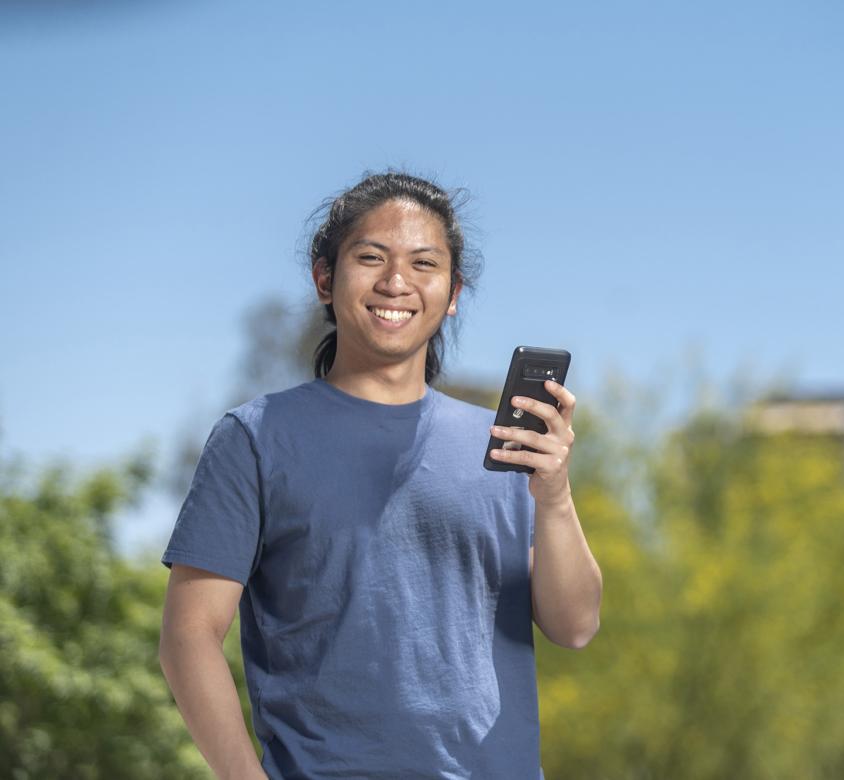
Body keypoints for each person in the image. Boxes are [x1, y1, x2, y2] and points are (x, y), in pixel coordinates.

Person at [158, 170, 603, 780]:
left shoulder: (503, 446)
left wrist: (553, 497)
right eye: (371, 257)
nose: (396, 282)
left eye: (424, 263)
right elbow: (189, 636)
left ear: (453, 293)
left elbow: (575, 626)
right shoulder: (256, 438)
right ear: (324, 279)